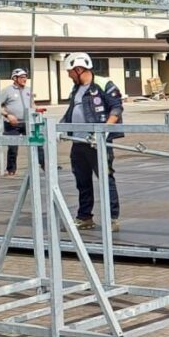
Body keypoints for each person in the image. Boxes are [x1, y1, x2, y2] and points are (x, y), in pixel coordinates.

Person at [61, 53, 124, 232]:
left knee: (105, 179)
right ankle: (85, 218)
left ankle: (112, 220)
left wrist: (103, 131)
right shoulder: (76, 89)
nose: (68, 75)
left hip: (97, 143)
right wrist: (59, 128)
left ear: (78, 69)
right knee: (82, 181)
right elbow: (71, 111)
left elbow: (116, 107)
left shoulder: (103, 84)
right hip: (78, 142)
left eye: (70, 72)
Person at [0, 68, 44, 176]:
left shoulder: (29, 90)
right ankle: (11, 170)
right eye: (22, 77)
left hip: (27, 122)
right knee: (13, 147)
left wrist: (37, 109)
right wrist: (7, 115)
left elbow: (32, 104)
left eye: (26, 77)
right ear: (15, 78)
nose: (25, 79)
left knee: (37, 143)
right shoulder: (7, 90)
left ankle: (44, 164)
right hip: (12, 124)